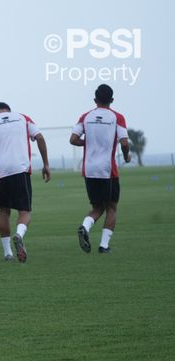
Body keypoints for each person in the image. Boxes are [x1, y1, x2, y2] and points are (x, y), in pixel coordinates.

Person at [0, 102, 51, 262]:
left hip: (1, 172)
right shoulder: (22, 118)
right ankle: (19, 234)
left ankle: (7, 253)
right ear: (8, 111)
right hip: (21, 170)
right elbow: (39, 137)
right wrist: (45, 164)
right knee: (24, 212)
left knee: (4, 212)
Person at [70, 84, 130, 254]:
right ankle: (104, 246)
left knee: (97, 207)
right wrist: (126, 156)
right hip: (107, 169)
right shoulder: (117, 117)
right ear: (112, 100)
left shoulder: (85, 116)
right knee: (111, 208)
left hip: (89, 169)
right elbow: (124, 142)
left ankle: (85, 226)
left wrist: (87, 143)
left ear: (95, 99)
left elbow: (73, 139)